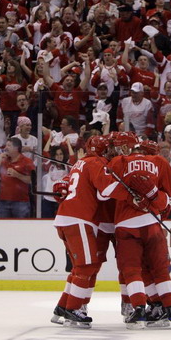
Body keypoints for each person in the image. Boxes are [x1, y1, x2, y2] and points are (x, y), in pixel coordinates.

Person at [101, 132, 171, 329]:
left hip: (127, 225)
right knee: (160, 269)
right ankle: (170, 311)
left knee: (132, 270)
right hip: (152, 223)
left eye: (119, 146)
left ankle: (139, 311)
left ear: (127, 148)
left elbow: (104, 192)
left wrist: (130, 197)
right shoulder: (159, 161)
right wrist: (154, 194)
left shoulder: (119, 162)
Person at [51, 135, 113, 327]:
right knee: (87, 266)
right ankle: (73, 309)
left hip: (67, 217)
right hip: (80, 218)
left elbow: (67, 184)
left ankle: (63, 306)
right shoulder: (97, 162)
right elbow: (105, 193)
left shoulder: (81, 162)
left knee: (81, 267)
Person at [0, 138, 35, 218]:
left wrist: (17, 175)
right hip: (3, 202)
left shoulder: (27, 161)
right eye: (6, 145)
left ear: (17, 148)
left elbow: (31, 180)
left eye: (9, 145)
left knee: (21, 228)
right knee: (1, 228)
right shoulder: (4, 160)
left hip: (21, 203)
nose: (5, 148)